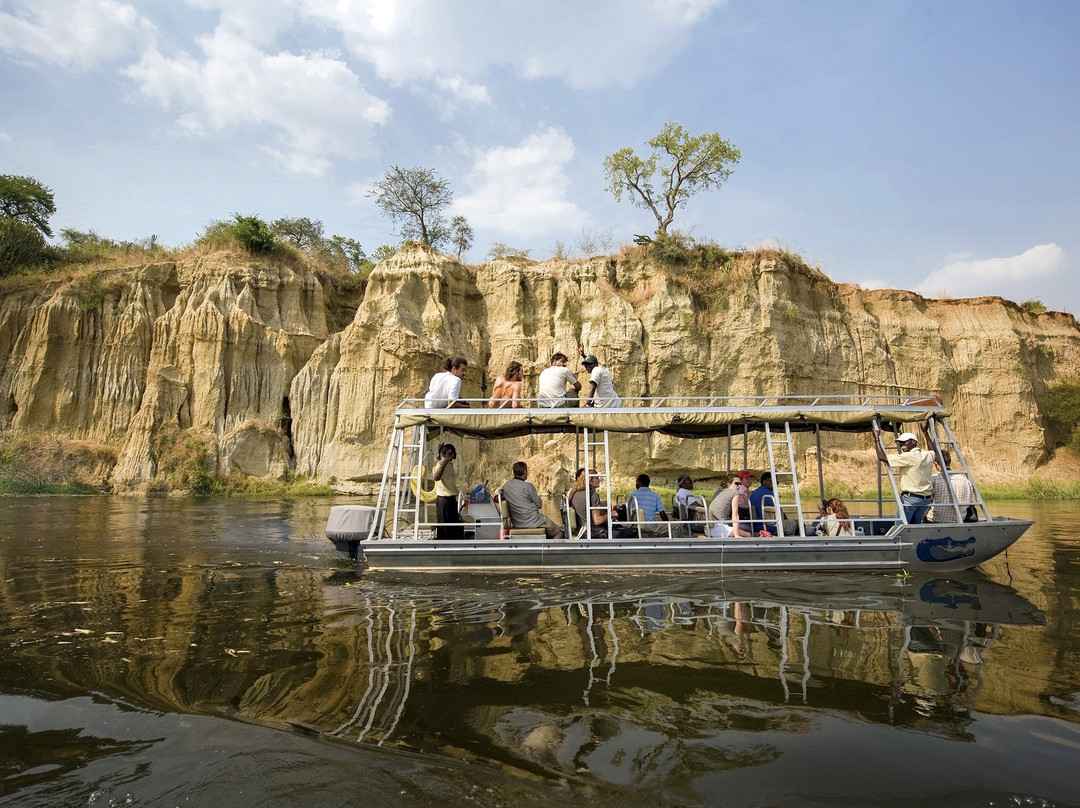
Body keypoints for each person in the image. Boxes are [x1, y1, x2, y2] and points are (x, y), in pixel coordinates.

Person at [873, 422, 935, 524]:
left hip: (910, 499)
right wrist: (925, 432)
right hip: (925, 500)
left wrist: (876, 439)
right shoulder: (927, 455)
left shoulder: (908, 456)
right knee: (915, 527)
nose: (901, 444)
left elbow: (882, 457)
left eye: (904, 442)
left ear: (914, 442)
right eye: (900, 442)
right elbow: (933, 451)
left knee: (900, 526)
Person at [501, 461, 564, 539]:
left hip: (518, 523)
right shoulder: (528, 486)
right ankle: (551, 550)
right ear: (524, 472)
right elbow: (539, 505)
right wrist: (532, 504)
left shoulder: (506, 486)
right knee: (559, 532)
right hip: (534, 521)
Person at [569, 469, 634, 538]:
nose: (599, 480)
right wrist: (611, 514)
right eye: (596, 478)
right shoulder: (593, 495)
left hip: (582, 532)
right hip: (593, 533)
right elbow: (597, 520)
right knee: (633, 531)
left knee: (619, 528)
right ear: (590, 481)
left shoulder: (576, 494)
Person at [927, 450, 977, 523]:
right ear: (949, 462)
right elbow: (971, 502)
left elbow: (927, 500)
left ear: (935, 463)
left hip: (936, 519)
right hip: (960, 518)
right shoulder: (965, 480)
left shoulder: (933, 479)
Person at [432, 443, 464, 539]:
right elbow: (436, 477)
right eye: (453, 452)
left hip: (450, 499)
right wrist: (446, 459)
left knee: (454, 524)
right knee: (446, 526)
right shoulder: (443, 463)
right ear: (448, 454)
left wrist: (441, 455)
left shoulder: (447, 464)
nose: (455, 454)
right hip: (445, 500)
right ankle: (447, 545)